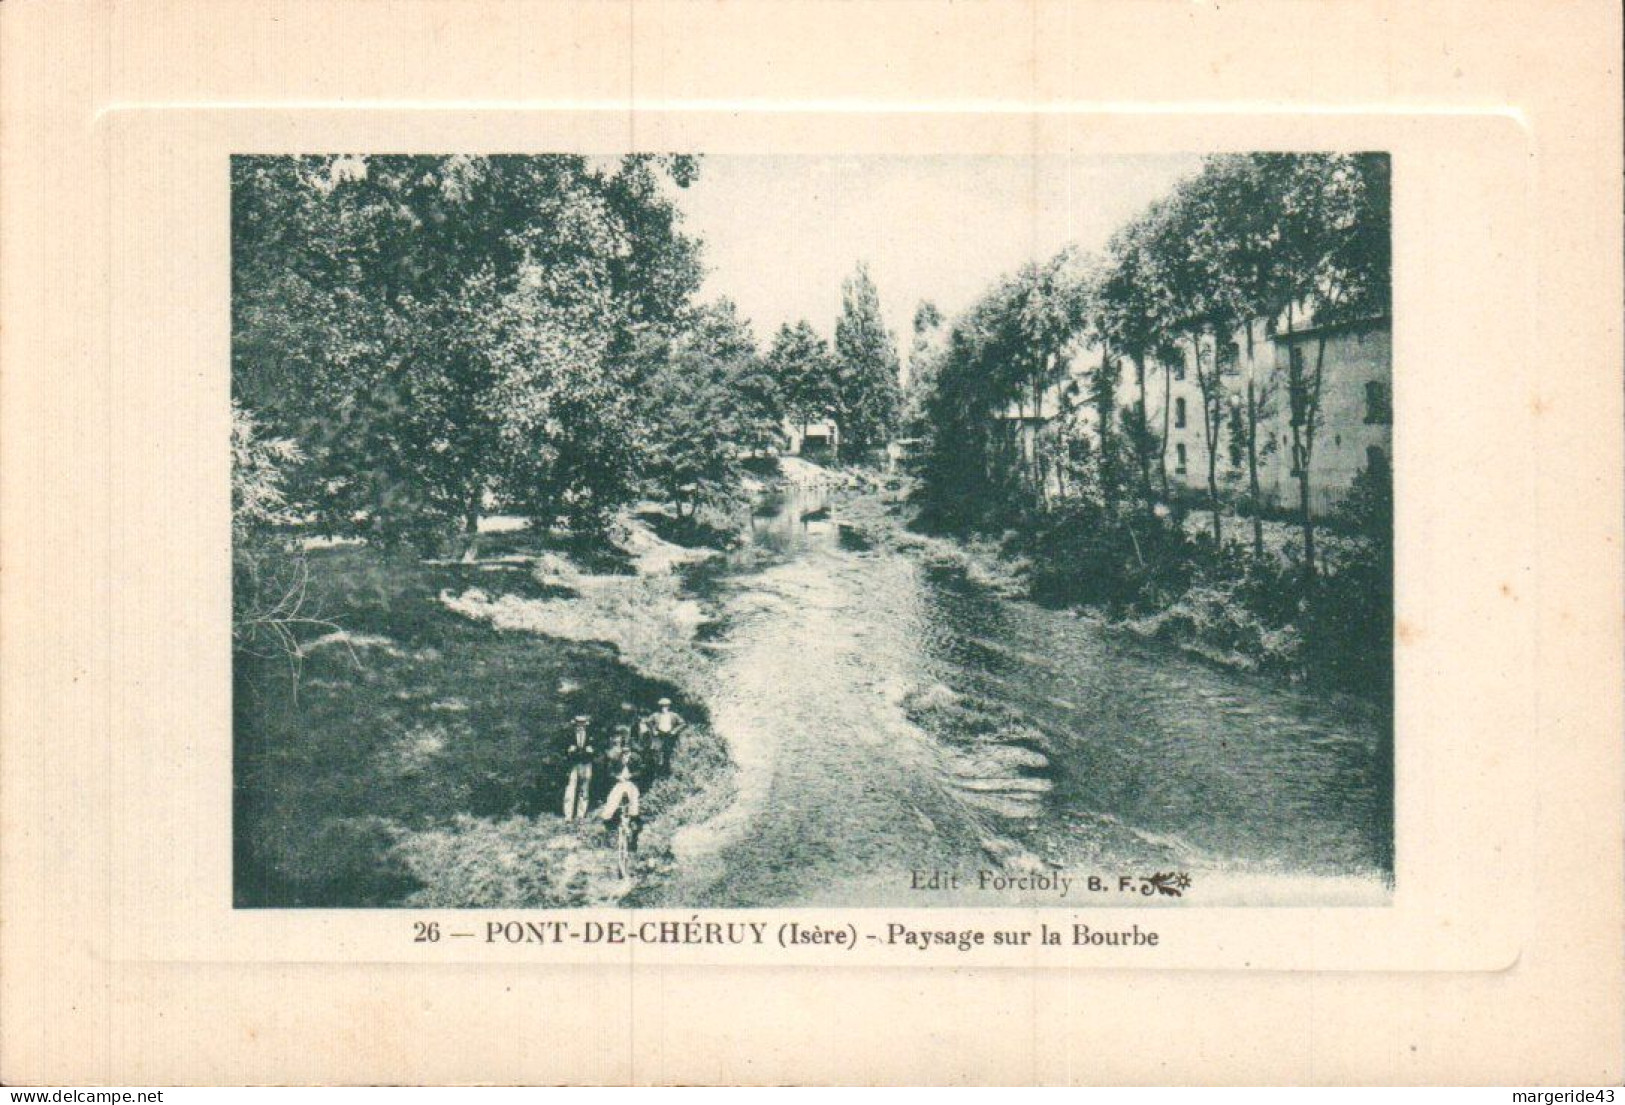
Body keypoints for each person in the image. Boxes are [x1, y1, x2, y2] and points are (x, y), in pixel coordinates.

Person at [599, 753, 642, 854]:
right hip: (619, 784)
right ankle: (607, 818)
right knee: (613, 798)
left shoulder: (636, 758)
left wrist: (631, 776)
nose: (626, 752)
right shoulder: (616, 758)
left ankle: (633, 815)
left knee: (633, 796)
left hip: (631, 783)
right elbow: (609, 772)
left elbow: (640, 771)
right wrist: (617, 777)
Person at [560, 715, 595, 821]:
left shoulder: (591, 735)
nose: (580, 726)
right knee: (570, 789)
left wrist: (592, 750)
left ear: (585, 724)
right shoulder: (568, 735)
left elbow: (597, 749)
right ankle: (568, 816)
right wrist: (568, 751)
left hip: (586, 763)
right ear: (575, 724)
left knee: (584, 789)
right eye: (578, 724)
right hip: (573, 764)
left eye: (582, 723)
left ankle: (581, 815)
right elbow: (562, 749)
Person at [643, 697, 686, 776]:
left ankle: (668, 771)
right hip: (659, 736)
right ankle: (657, 770)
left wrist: (674, 731)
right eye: (662, 706)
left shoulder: (674, 715)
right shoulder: (656, 715)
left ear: (669, 707)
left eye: (666, 706)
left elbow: (682, 723)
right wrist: (653, 730)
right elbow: (648, 721)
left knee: (668, 753)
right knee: (657, 753)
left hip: (670, 736)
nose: (664, 708)